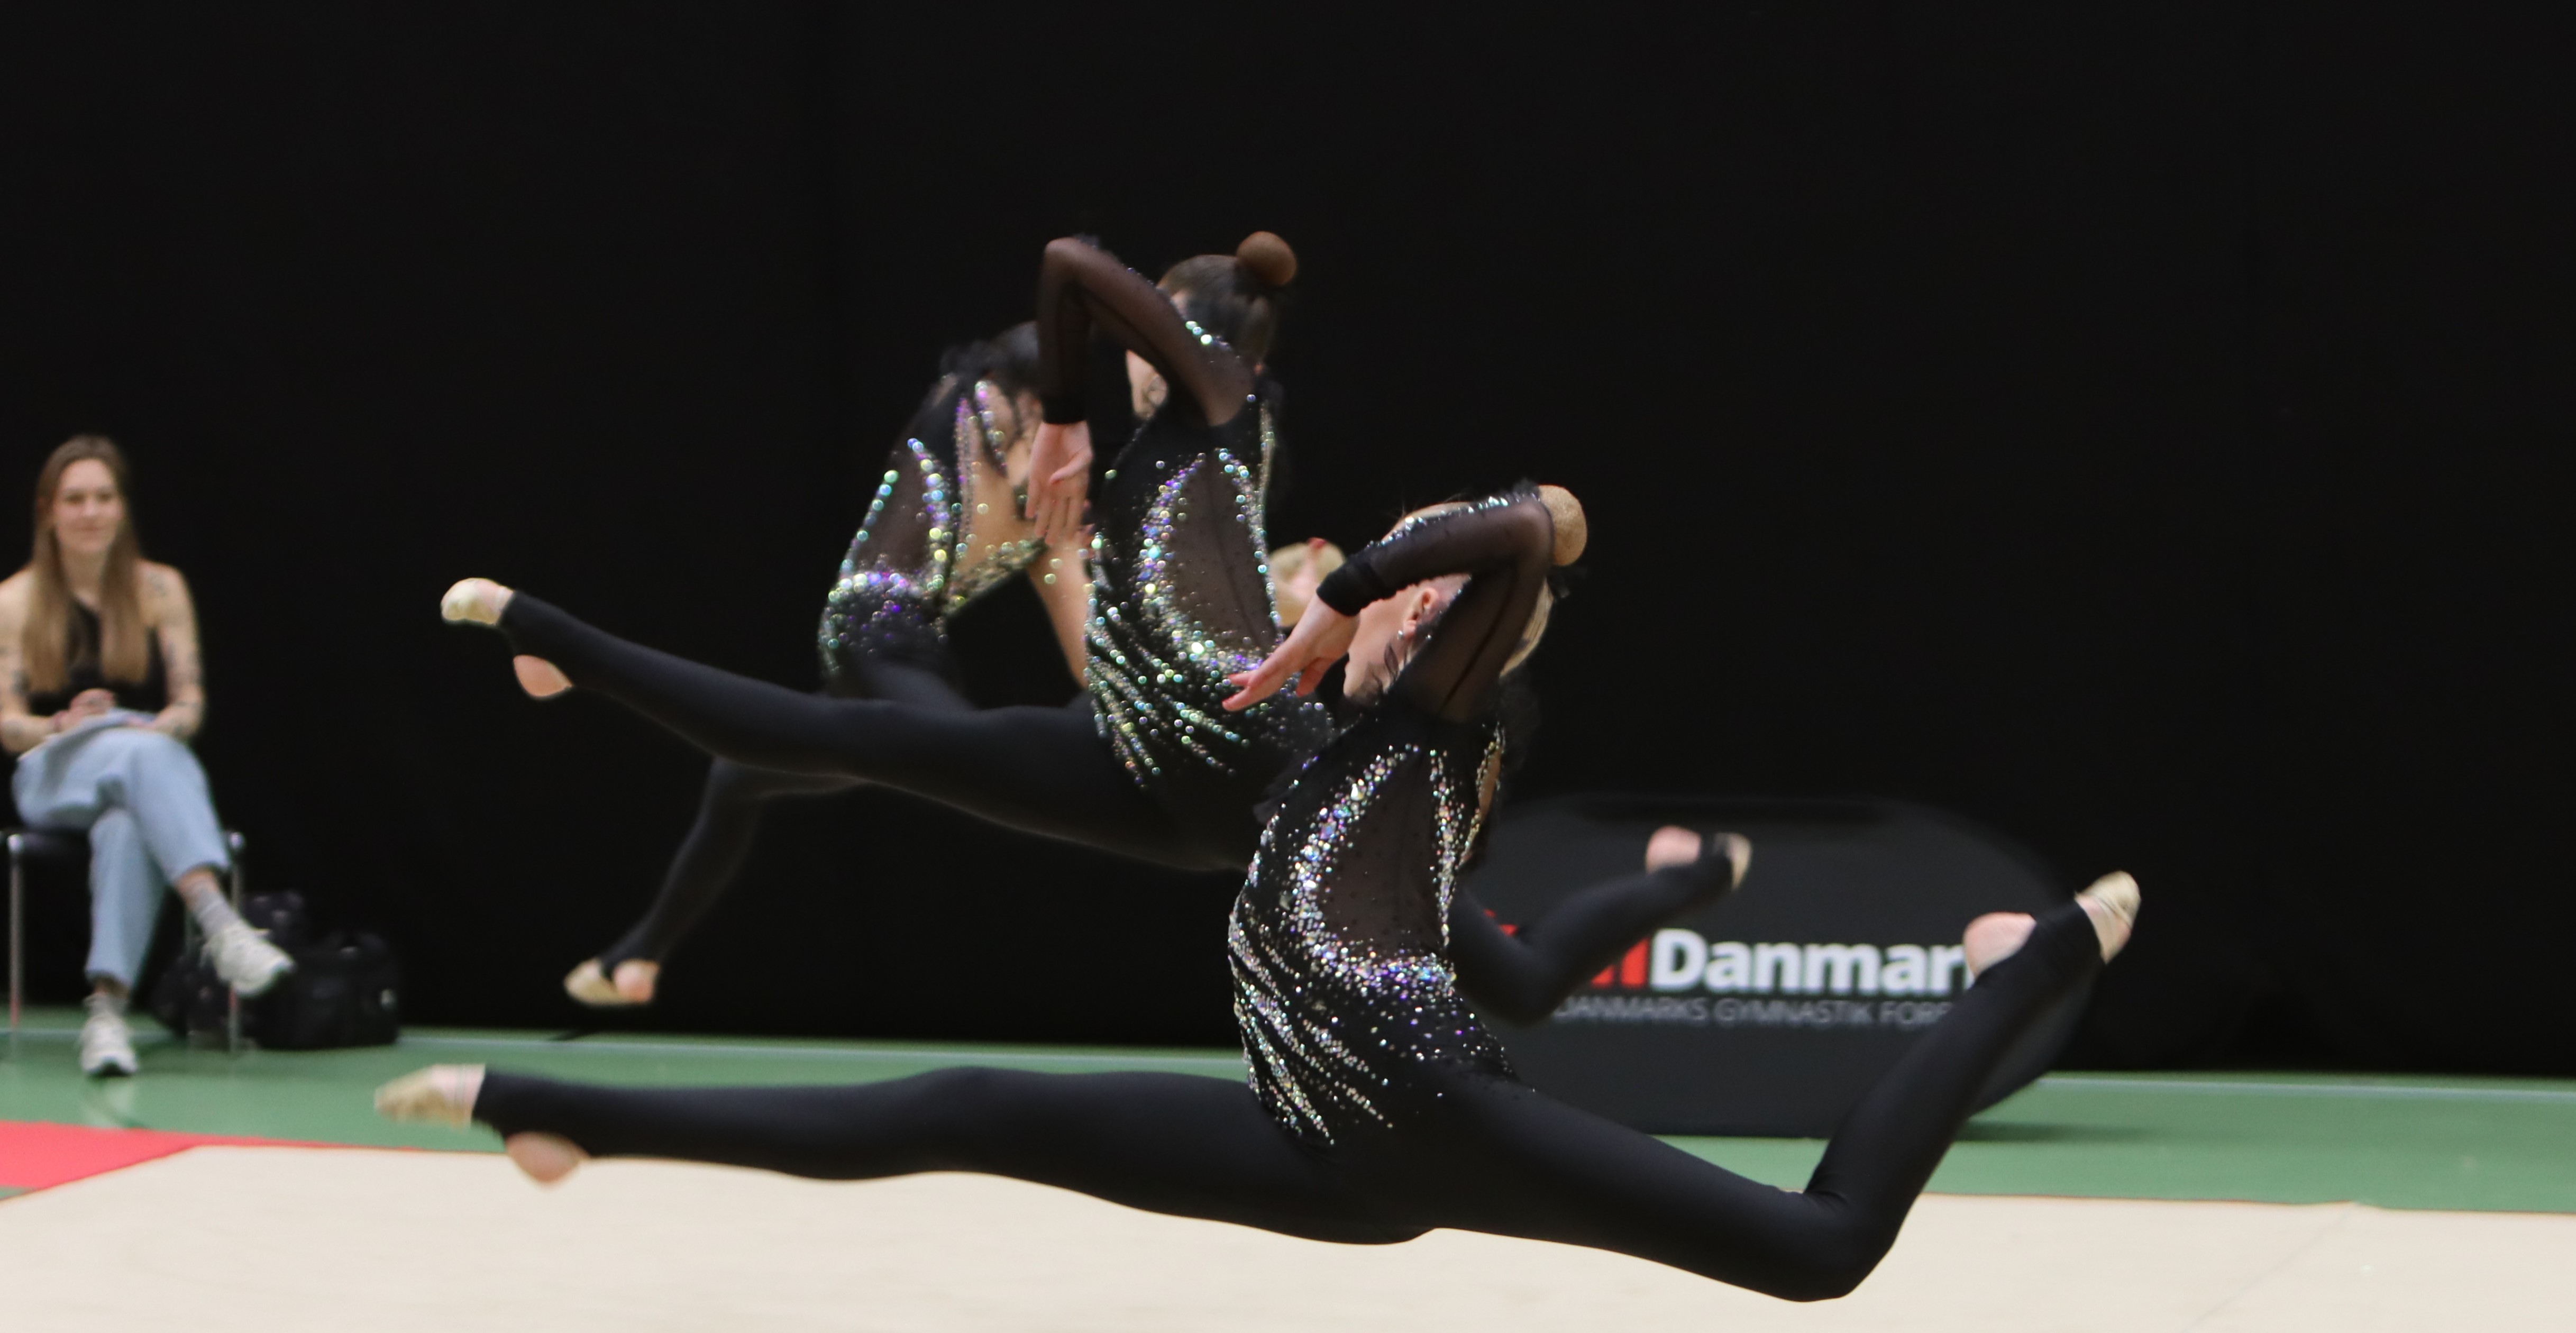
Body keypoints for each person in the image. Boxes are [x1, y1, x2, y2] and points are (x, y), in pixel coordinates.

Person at [380, 486, 2133, 1303]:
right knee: (966, 1105)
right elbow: (1013, 690)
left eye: (1394, 596)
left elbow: (1536, 529)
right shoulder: (1274, 752)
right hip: (1314, 1147)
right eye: (1342, 581)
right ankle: (561, 1106)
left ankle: (2030, 955)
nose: (1344, 596)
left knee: (1824, 1248)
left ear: (1429, 638)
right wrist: (570, 645)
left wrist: (1362, 586)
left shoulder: (1424, 735)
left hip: (1434, 1112)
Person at [443, 233, 1728, 1020]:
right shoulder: (1188, 442)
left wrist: (1064, 418)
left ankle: (1687, 877)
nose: (1115, 372)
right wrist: (1071, 442)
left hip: (1240, 756)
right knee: (849, 740)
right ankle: (561, 641)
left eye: (1134, 343)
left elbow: (1069, 263)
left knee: (1512, 985)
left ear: (1181, 333)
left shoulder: (1217, 397)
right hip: (1137, 767)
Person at [553, 326, 1095, 1008]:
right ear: (1027, 403)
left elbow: (1087, 658)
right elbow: (1016, 395)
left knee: (737, 778)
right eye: (1046, 417)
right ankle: (586, 661)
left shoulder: (1052, 515)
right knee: (973, 762)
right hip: (870, 625)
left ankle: (635, 957)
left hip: (911, 653)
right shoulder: (964, 407)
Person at [0, 437, 293, 1076]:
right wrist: (62, 725)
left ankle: (106, 1017)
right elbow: (7, 725)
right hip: (53, 769)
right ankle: (220, 923)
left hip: (141, 762)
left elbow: (190, 704)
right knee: (139, 755)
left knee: (129, 819)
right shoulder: (14, 600)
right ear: (49, 511)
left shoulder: (161, 588)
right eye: (75, 499)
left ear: (123, 507)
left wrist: (161, 727)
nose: (91, 512)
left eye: (104, 498)